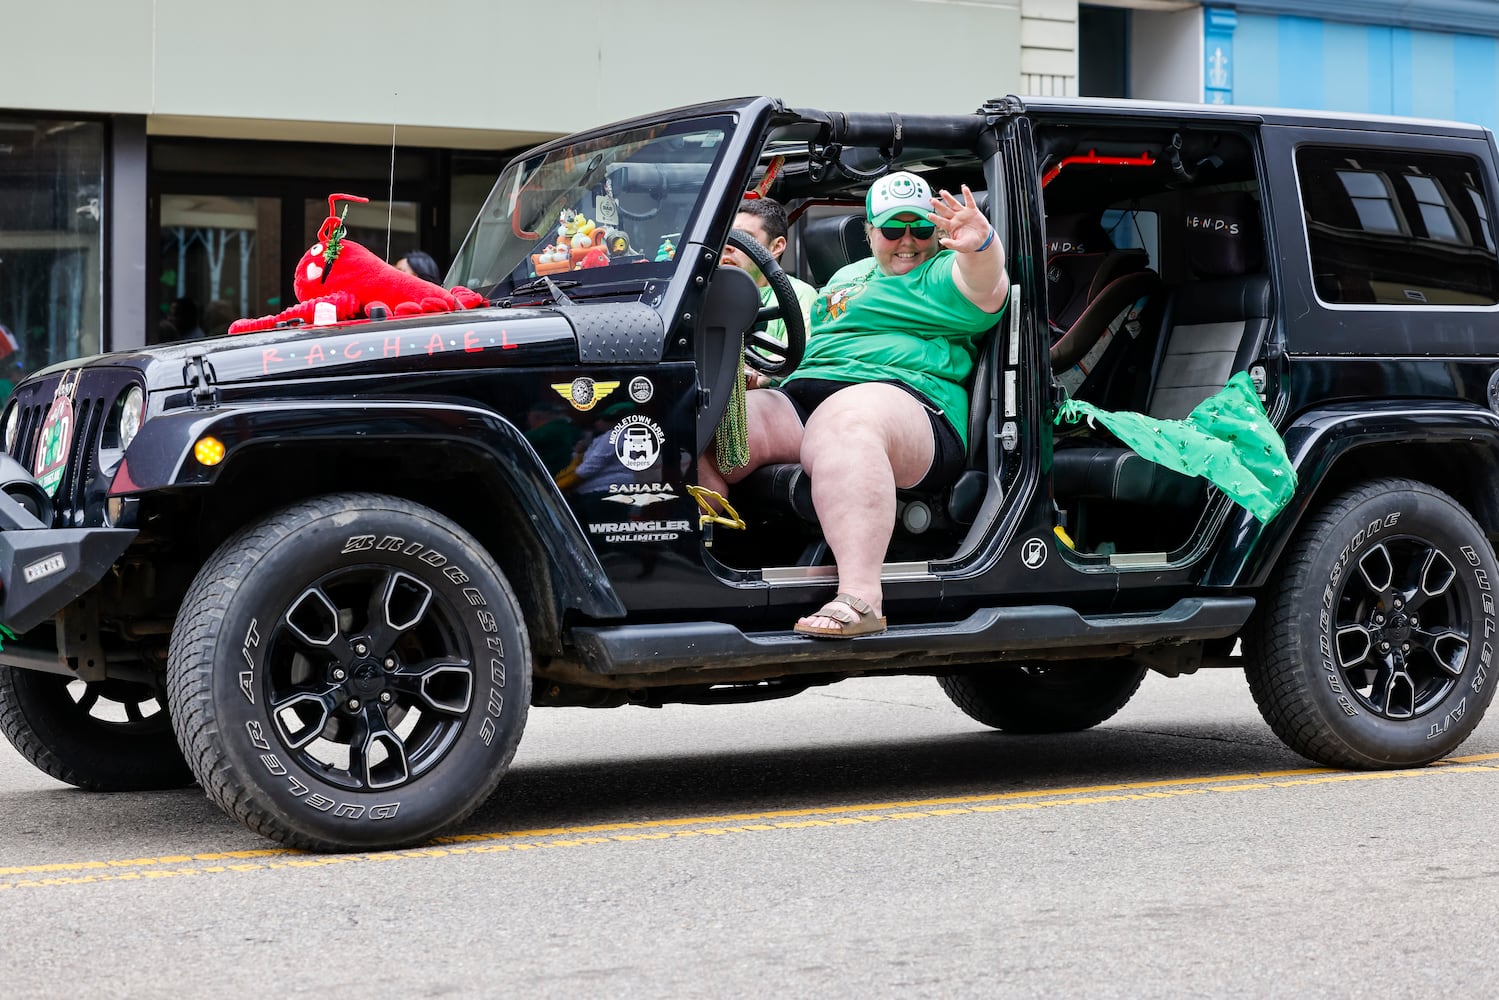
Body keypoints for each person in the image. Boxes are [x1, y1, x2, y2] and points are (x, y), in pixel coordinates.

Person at [700, 171, 1008, 638]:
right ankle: (704, 561)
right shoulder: (846, 276)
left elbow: (988, 286)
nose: (908, 241)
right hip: (806, 394)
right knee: (702, 413)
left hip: (911, 404)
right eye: (892, 229)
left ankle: (862, 598)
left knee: (845, 422)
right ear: (869, 233)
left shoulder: (948, 269)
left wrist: (982, 246)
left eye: (921, 228)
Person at [721, 197, 818, 366]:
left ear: (776, 247)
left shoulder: (798, 294)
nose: (728, 246)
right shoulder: (703, 292)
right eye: (726, 237)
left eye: (744, 238)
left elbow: (800, 356)